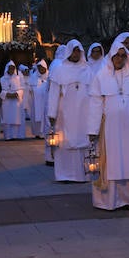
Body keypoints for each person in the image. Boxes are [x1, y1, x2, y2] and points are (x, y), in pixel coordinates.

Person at [86, 40, 129, 210]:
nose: (119, 59)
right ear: (111, 56)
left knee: (128, 161)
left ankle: (126, 199)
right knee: (110, 162)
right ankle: (108, 201)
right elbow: (95, 104)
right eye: (117, 56)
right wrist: (93, 129)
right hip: (109, 128)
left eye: (123, 56)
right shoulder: (101, 76)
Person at [47, 40, 91, 181]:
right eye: (73, 51)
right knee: (64, 142)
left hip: (83, 112)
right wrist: (51, 113)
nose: (76, 54)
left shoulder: (87, 70)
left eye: (78, 51)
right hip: (64, 113)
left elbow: (93, 92)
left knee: (82, 141)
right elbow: (53, 93)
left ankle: (81, 175)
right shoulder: (59, 70)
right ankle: (64, 175)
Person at [0, 61, 26, 141]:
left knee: (17, 118)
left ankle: (17, 135)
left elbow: (23, 88)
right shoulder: (2, 79)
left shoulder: (19, 78)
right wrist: (6, 94)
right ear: (7, 69)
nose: (11, 70)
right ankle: (8, 136)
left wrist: (17, 94)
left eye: (12, 68)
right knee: (7, 118)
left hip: (16, 101)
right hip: (6, 102)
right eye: (10, 68)